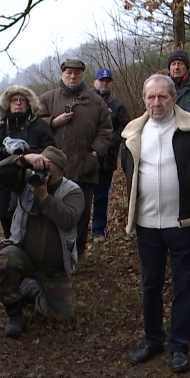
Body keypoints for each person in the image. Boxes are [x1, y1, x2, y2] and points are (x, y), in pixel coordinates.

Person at [121, 74, 190, 373]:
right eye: (150, 97)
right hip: (147, 224)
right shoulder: (133, 133)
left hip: (182, 222)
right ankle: (152, 339)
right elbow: (128, 171)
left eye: (162, 96)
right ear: (143, 99)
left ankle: (179, 345)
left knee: (184, 285)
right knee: (150, 283)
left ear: (174, 98)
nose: (156, 102)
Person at [0, 146, 83, 337]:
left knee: (61, 315)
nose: (42, 173)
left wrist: (43, 196)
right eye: (40, 166)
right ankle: (14, 313)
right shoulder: (25, 181)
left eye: (48, 168)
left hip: (54, 267)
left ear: (61, 171)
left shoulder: (72, 191)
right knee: (3, 260)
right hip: (24, 257)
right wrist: (24, 160)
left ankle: (31, 289)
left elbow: (68, 220)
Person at [38, 59, 112, 261]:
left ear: (83, 75)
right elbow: (35, 126)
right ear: (62, 74)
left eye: (77, 73)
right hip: (53, 169)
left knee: (81, 212)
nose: (73, 77)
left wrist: (94, 154)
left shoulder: (96, 102)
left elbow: (106, 131)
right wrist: (53, 122)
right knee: (51, 209)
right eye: (69, 73)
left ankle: (78, 253)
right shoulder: (47, 99)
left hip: (84, 167)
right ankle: (52, 253)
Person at [0, 85, 55, 239]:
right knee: (8, 233)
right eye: (14, 100)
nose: (18, 103)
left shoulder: (40, 127)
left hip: (33, 184)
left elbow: (51, 152)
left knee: (33, 232)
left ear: (29, 104)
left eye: (22, 100)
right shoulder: (0, 129)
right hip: (3, 189)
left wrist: (28, 155)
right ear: (7, 105)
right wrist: (7, 152)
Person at [91, 68, 130, 241]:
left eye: (107, 81)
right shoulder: (86, 102)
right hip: (85, 158)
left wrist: (111, 140)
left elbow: (126, 127)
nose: (104, 83)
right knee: (79, 195)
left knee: (101, 195)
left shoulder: (117, 106)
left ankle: (99, 229)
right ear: (94, 82)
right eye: (101, 80)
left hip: (106, 160)